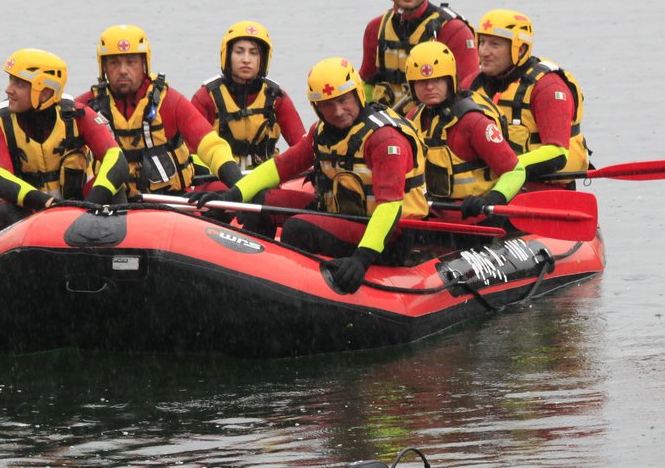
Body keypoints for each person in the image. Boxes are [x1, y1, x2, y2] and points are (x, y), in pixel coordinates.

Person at [197, 57, 428, 294]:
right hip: (344, 215)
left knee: (298, 228)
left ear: (358, 93)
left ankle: (289, 292)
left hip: (391, 236)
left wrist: (362, 258)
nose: (338, 111)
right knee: (260, 201)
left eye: (343, 100)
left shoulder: (384, 139)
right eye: (328, 105)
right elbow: (280, 167)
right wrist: (233, 196)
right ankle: (246, 278)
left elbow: (389, 207)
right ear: (317, 107)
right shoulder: (322, 132)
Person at [75, 24, 242, 203]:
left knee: (218, 189)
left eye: (131, 62)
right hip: (114, 201)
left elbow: (211, 146)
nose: (123, 70)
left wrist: (238, 185)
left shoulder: (169, 101)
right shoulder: (86, 107)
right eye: (114, 62)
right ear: (104, 67)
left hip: (171, 200)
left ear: (144, 65)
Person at [0, 48, 122, 230]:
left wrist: (92, 204)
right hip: (29, 214)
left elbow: (117, 159)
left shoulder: (78, 115)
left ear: (46, 92)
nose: (9, 90)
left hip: (79, 211)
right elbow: (0, 179)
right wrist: (49, 204)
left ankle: (118, 248)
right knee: (6, 211)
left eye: (19, 84)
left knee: (115, 191)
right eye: (11, 80)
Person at [401, 41, 526, 220]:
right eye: (422, 81)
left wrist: (493, 199)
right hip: (434, 213)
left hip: (476, 216)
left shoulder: (473, 121)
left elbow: (515, 171)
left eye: (437, 79)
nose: (429, 87)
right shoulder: (413, 119)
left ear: (450, 80)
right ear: (412, 86)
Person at [470, 9, 590, 184]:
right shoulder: (472, 85)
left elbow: (557, 154)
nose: (484, 52)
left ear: (521, 49)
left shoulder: (548, 88)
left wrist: (506, 167)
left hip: (543, 188)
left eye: (494, 45)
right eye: (481, 42)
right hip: (492, 185)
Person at [360, 0, 479, 111]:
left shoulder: (454, 30)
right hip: (388, 129)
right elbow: (366, 85)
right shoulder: (375, 29)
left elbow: (472, 92)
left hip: (434, 129)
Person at [191, 20, 307, 171]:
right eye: (239, 52)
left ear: (263, 59)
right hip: (218, 177)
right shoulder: (207, 96)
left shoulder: (276, 97)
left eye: (254, 53)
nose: (246, 59)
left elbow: (302, 147)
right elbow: (188, 149)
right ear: (227, 55)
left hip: (265, 176)